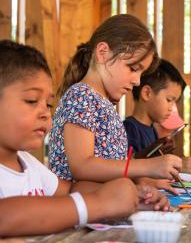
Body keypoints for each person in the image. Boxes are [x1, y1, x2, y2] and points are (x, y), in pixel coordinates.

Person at [0, 40, 147, 237]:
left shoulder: (28, 164)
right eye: (32, 101)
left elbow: (71, 190)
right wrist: (99, 203)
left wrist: (131, 195)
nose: (45, 112)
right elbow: (6, 217)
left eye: (49, 105)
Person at [48, 14, 182, 184]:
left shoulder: (102, 103)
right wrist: (148, 166)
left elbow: (112, 165)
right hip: (78, 206)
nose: (137, 81)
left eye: (141, 73)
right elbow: (82, 166)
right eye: (133, 68)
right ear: (103, 53)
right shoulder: (81, 96)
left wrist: (146, 183)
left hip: (102, 202)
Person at [124, 59, 191, 173]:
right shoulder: (129, 129)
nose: (172, 107)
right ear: (147, 93)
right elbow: (126, 168)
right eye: (169, 100)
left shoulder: (153, 131)